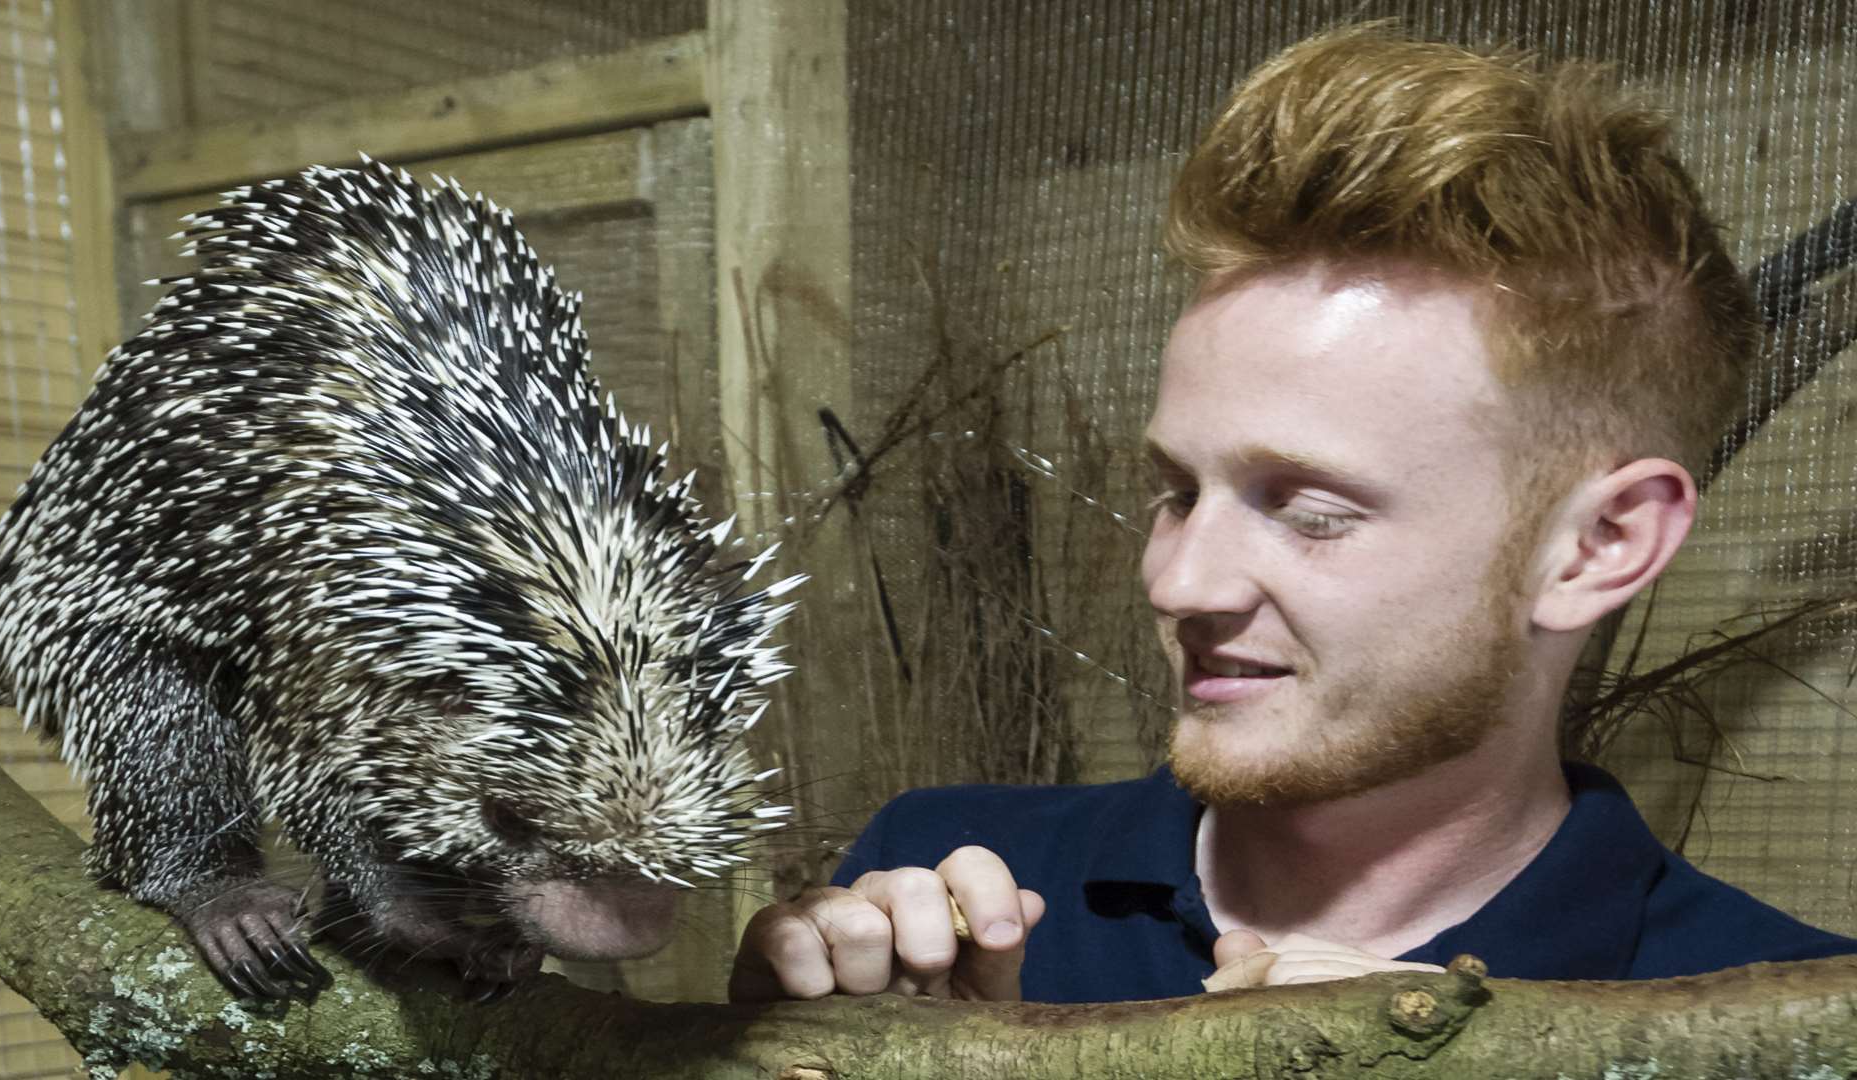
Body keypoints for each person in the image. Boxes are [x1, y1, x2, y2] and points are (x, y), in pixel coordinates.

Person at [727, 23, 1857, 1005]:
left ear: (1600, 545)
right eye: (1177, 492)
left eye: (1311, 511)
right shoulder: (942, 882)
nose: (1179, 583)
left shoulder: (1774, 1012)